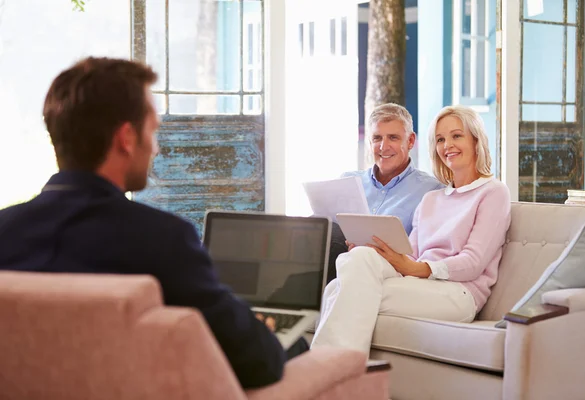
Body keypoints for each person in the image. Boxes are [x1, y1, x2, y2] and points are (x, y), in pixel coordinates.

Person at [0, 57, 297, 389]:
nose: (155, 148)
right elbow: (257, 362)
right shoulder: (161, 241)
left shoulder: (5, 230)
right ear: (127, 138)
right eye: (153, 130)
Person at [312, 105, 511, 354]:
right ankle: (336, 374)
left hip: (459, 293)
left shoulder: (493, 192)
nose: (447, 144)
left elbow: (474, 262)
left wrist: (418, 269)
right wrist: (385, 253)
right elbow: (412, 253)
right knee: (357, 259)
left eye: (456, 136)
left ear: (476, 139)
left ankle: (325, 373)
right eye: (440, 139)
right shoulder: (432, 199)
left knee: (341, 290)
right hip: (418, 282)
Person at [326, 103, 443, 283]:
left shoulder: (431, 190)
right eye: (377, 138)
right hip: (339, 260)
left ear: (410, 141)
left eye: (393, 138)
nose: (383, 147)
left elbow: (426, 250)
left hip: (385, 270)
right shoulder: (349, 180)